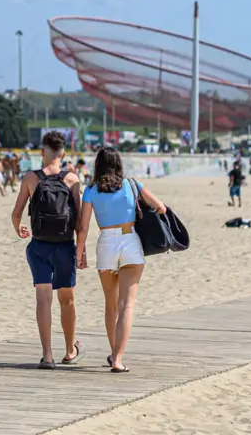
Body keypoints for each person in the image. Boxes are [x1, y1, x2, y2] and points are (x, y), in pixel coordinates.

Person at [75, 146, 165, 373]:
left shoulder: (91, 190)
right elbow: (161, 207)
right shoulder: (132, 185)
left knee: (111, 303)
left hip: (106, 242)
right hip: (129, 241)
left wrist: (80, 252)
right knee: (127, 305)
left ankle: (113, 350)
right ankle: (117, 358)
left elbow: (83, 226)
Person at [10, 131, 84, 370]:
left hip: (39, 245)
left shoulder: (31, 178)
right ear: (63, 154)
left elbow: (16, 213)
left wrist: (18, 228)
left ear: (43, 153)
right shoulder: (72, 179)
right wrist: (81, 249)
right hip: (64, 246)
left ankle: (47, 355)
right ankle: (70, 350)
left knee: (43, 298)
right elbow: (80, 221)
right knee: (67, 300)